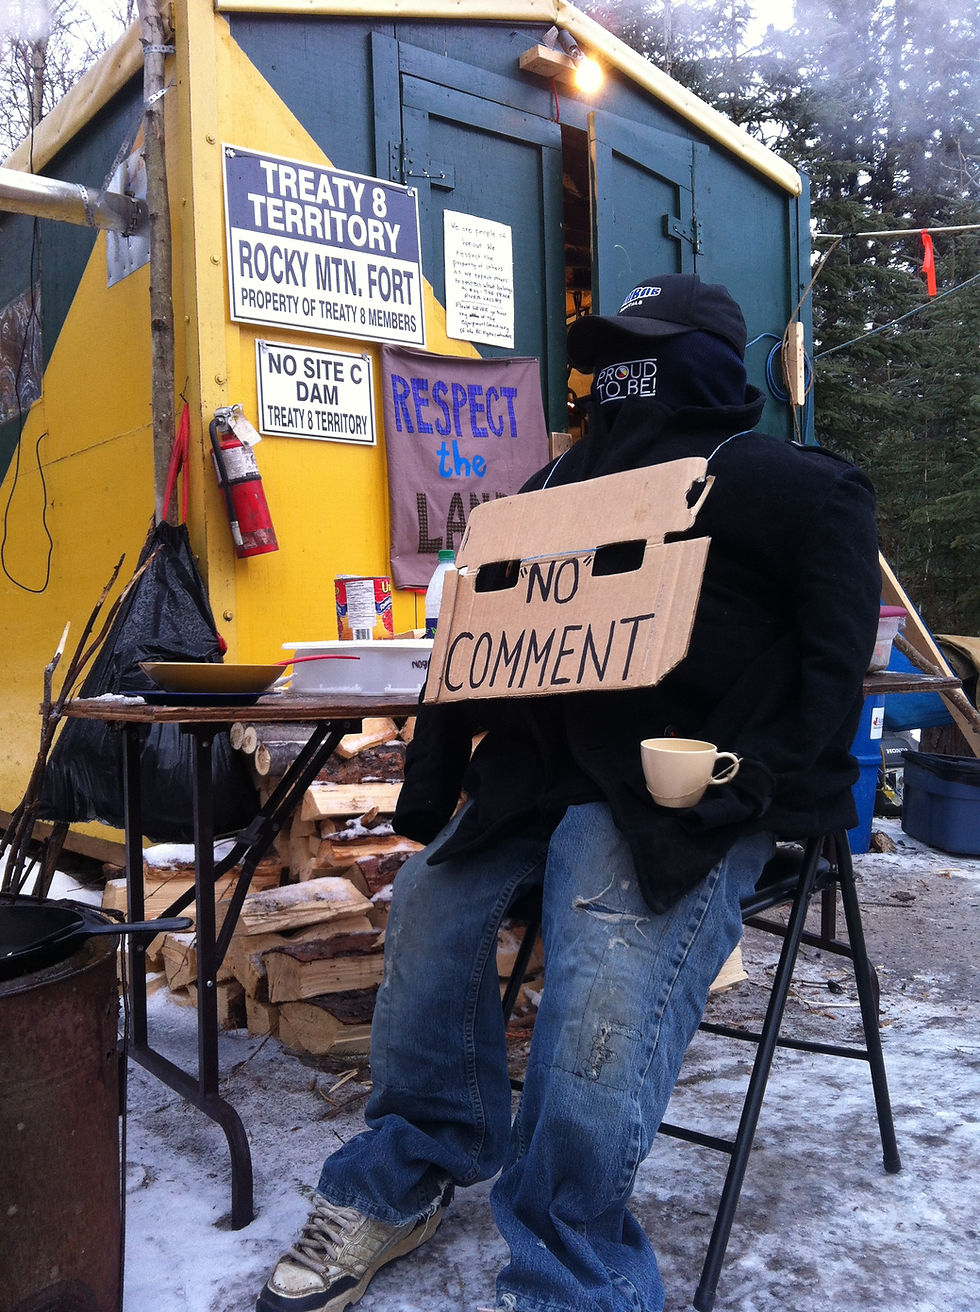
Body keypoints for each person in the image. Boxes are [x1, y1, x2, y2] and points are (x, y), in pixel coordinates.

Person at [256, 274, 881, 1312]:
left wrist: (766, 787)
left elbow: (829, 672)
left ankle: (569, 1264)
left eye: (647, 346)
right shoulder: (539, 494)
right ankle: (408, 1162)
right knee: (428, 901)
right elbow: (468, 650)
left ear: (702, 362)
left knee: (599, 904)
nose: (617, 372)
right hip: (532, 781)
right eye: (607, 350)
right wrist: (431, 792)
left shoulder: (793, 485)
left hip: (676, 795)